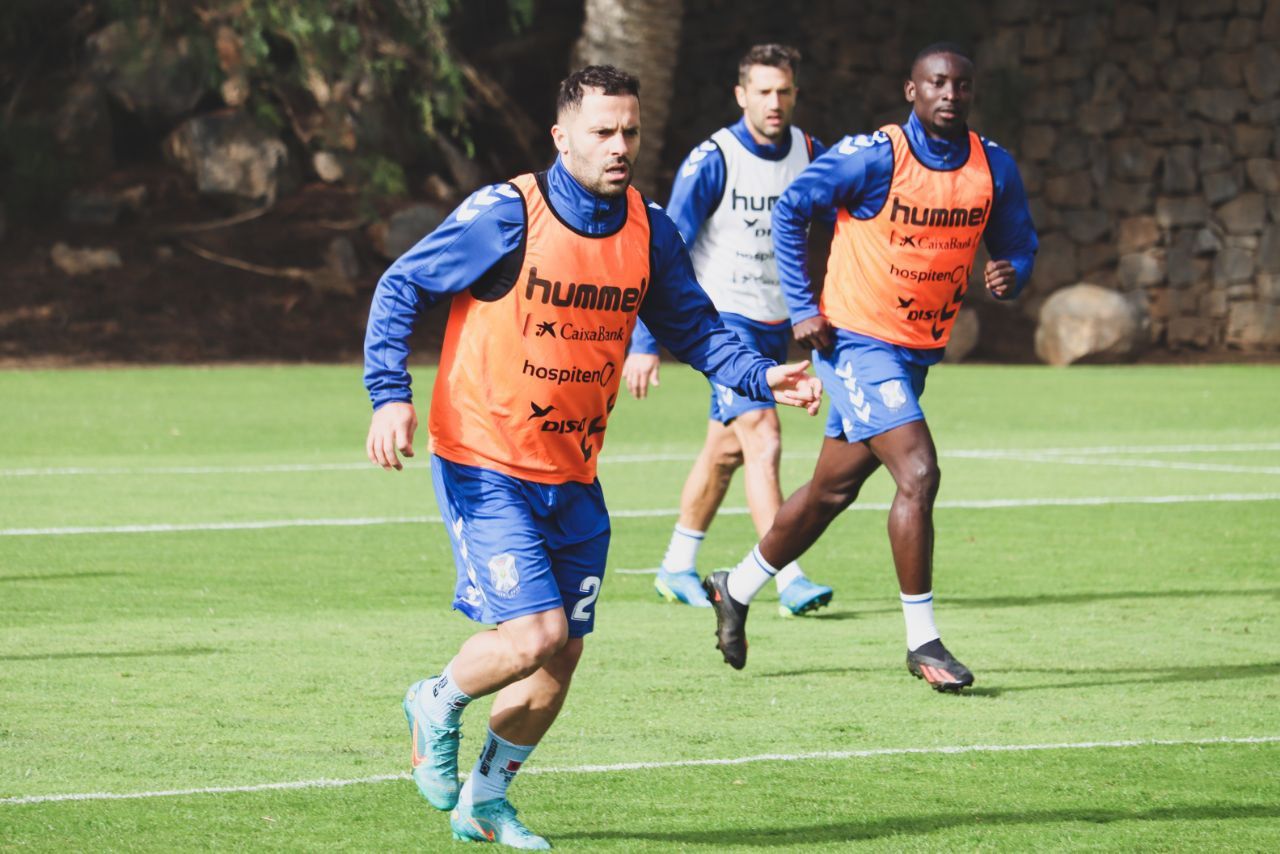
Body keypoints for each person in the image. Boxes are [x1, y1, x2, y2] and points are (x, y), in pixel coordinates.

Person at [363, 65, 821, 850]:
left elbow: (696, 330)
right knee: (535, 634)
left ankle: (484, 802)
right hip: (485, 458)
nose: (620, 146)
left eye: (630, 132)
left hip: (573, 472)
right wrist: (389, 394)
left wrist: (759, 375)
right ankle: (434, 699)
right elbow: (403, 285)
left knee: (562, 657)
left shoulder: (649, 229)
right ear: (561, 137)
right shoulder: (509, 214)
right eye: (603, 132)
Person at [702, 43, 1038, 691]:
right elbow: (792, 207)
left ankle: (734, 587)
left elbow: (1019, 242)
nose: (950, 94)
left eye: (961, 85)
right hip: (854, 340)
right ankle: (924, 642)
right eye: (936, 82)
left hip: (914, 350)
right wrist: (803, 308)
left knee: (832, 491)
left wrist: (1011, 272)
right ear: (912, 90)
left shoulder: (992, 166)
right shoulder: (874, 156)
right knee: (919, 471)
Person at [622, 44, 835, 616]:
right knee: (763, 437)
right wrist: (644, 342)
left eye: (783, 91)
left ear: (795, 94)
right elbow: (664, 247)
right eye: (763, 92)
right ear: (741, 95)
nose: (774, 102)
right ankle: (786, 577)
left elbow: (846, 219)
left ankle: (676, 566)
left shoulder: (811, 153)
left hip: (777, 322)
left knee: (725, 452)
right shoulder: (714, 159)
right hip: (724, 327)